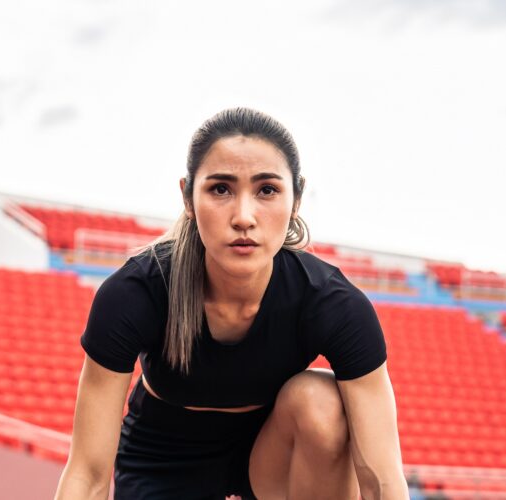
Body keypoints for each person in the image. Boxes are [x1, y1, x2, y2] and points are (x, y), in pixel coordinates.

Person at [54, 108, 407, 499]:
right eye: (220, 189)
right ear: (188, 197)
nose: (243, 217)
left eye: (267, 190)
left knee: (320, 401)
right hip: (166, 459)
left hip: (273, 455)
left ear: (296, 200)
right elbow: (87, 473)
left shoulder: (333, 305)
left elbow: (382, 480)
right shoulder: (135, 293)